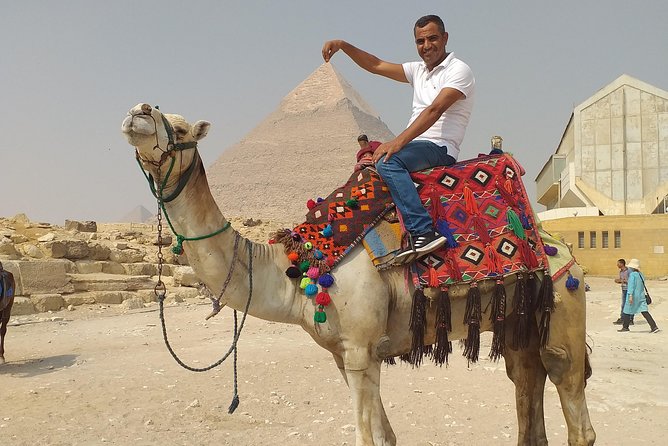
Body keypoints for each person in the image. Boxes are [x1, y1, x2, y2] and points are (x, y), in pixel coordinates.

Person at [322, 14, 475, 264]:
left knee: (388, 162)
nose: (426, 46)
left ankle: (423, 231)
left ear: (445, 38)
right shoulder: (418, 71)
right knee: (371, 165)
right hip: (417, 145)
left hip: (439, 147)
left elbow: (435, 111)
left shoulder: (459, 70)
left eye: (433, 38)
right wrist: (343, 45)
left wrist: (398, 142)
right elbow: (375, 65)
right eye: (420, 41)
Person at [618, 258, 659, 333]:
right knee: (644, 311)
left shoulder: (632, 275)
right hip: (641, 296)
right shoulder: (641, 274)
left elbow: (631, 286)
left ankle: (625, 327)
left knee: (627, 310)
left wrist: (630, 295)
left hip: (633, 296)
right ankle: (654, 327)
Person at [613, 259, 633, 325]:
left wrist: (623, 281)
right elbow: (622, 280)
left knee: (630, 304)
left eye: (618, 263)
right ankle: (623, 318)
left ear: (622, 264)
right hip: (624, 289)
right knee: (623, 304)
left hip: (629, 289)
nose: (617, 265)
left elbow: (631, 281)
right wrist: (619, 281)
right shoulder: (621, 272)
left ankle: (630, 319)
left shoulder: (629, 271)